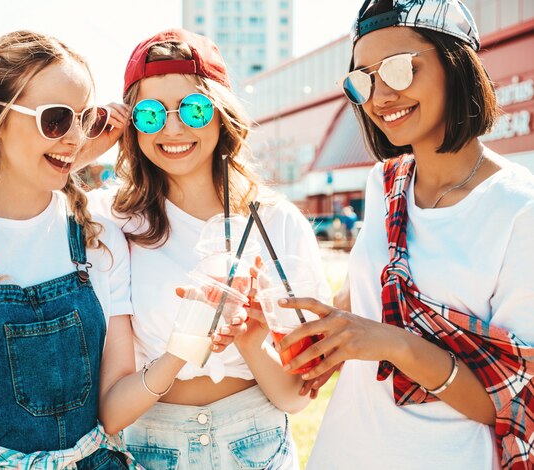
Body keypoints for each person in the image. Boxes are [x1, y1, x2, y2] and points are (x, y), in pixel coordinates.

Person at [0, 30, 186, 469]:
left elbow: (111, 407)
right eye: (56, 119)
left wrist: (188, 345)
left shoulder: (98, 236)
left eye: (86, 118)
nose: (75, 137)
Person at [275, 1, 534, 469]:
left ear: (456, 64)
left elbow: (516, 403)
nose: (380, 97)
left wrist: (391, 343)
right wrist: (309, 327)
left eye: (399, 69)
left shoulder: (520, 209)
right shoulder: (385, 184)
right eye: (363, 80)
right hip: (345, 452)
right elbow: (366, 301)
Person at [87, 29, 327, 469]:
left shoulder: (276, 221)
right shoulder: (112, 221)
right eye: (149, 114)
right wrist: (92, 141)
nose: (173, 128)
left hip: (256, 443)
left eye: (194, 109)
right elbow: (110, 411)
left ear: (221, 114)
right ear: (131, 125)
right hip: (149, 447)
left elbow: (296, 396)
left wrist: (252, 338)